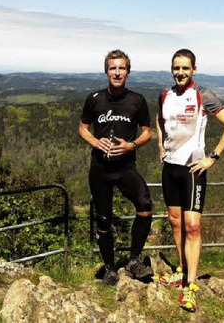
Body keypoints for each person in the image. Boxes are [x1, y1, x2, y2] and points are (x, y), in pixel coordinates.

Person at [156, 48, 224, 312]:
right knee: (175, 223)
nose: (180, 72)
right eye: (176, 68)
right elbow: (159, 121)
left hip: (194, 170)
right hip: (170, 169)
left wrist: (212, 157)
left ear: (194, 70)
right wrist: (161, 147)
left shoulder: (202, 94)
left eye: (185, 68)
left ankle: (190, 285)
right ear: (172, 69)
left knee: (192, 227)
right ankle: (181, 272)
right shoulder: (165, 95)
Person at [79, 49, 154, 286]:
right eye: (113, 68)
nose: (117, 72)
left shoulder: (137, 101)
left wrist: (130, 145)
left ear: (128, 72)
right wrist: (95, 141)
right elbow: (82, 128)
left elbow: (147, 132)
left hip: (125, 167)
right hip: (100, 168)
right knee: (103, 220)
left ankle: (133, 261)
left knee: (145, 205)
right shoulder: (94, 99)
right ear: (106, 71)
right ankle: (110, 269)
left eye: (121, 68)